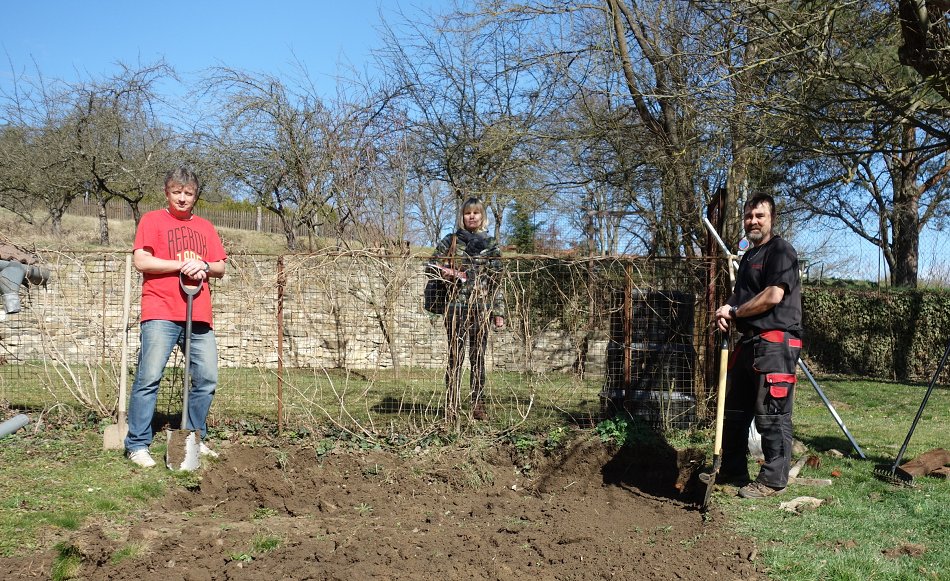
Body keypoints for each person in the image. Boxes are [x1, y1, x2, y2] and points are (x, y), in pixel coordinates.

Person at [124, 167, 227, 468]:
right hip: (161, 311)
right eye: (177, 192)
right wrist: (181, 265)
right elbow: (141, 260)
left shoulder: (206, 227)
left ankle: (194, 438)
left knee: (206, 378)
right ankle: (138, 445)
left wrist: (203, 265)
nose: (182, 198)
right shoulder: (152, 220)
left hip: (199, 315)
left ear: (196, 196)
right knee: (149, 377)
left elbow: (220, 267)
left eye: (189, 193)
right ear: (167, 193)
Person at [714, 193, 802, 499]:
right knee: (734, 410)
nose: (753, 220)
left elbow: (773, 296)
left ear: (772, 219)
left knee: (772, 414)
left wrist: (736, 313)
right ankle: (732, 469)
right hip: (749, 342)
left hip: (775, 343)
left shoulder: (781, 251)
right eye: (749, 216)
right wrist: (726, 309)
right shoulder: (750, 256)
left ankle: (773, 480)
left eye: (759, 216)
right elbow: (739, 297)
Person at [433, 197, 505, 421]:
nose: (471, 216)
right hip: (455, 306)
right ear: (462, 217)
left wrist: (498, 311)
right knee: (455, 356)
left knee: (478, 357)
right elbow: (431, 266)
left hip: (481, 308)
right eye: (467, 213)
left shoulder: (491, 244)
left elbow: (497, 280)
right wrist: (445, 273)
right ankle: (451, 405)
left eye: (476, 213)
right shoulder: (450, 241)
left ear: (482, 217)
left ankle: (477, 405)